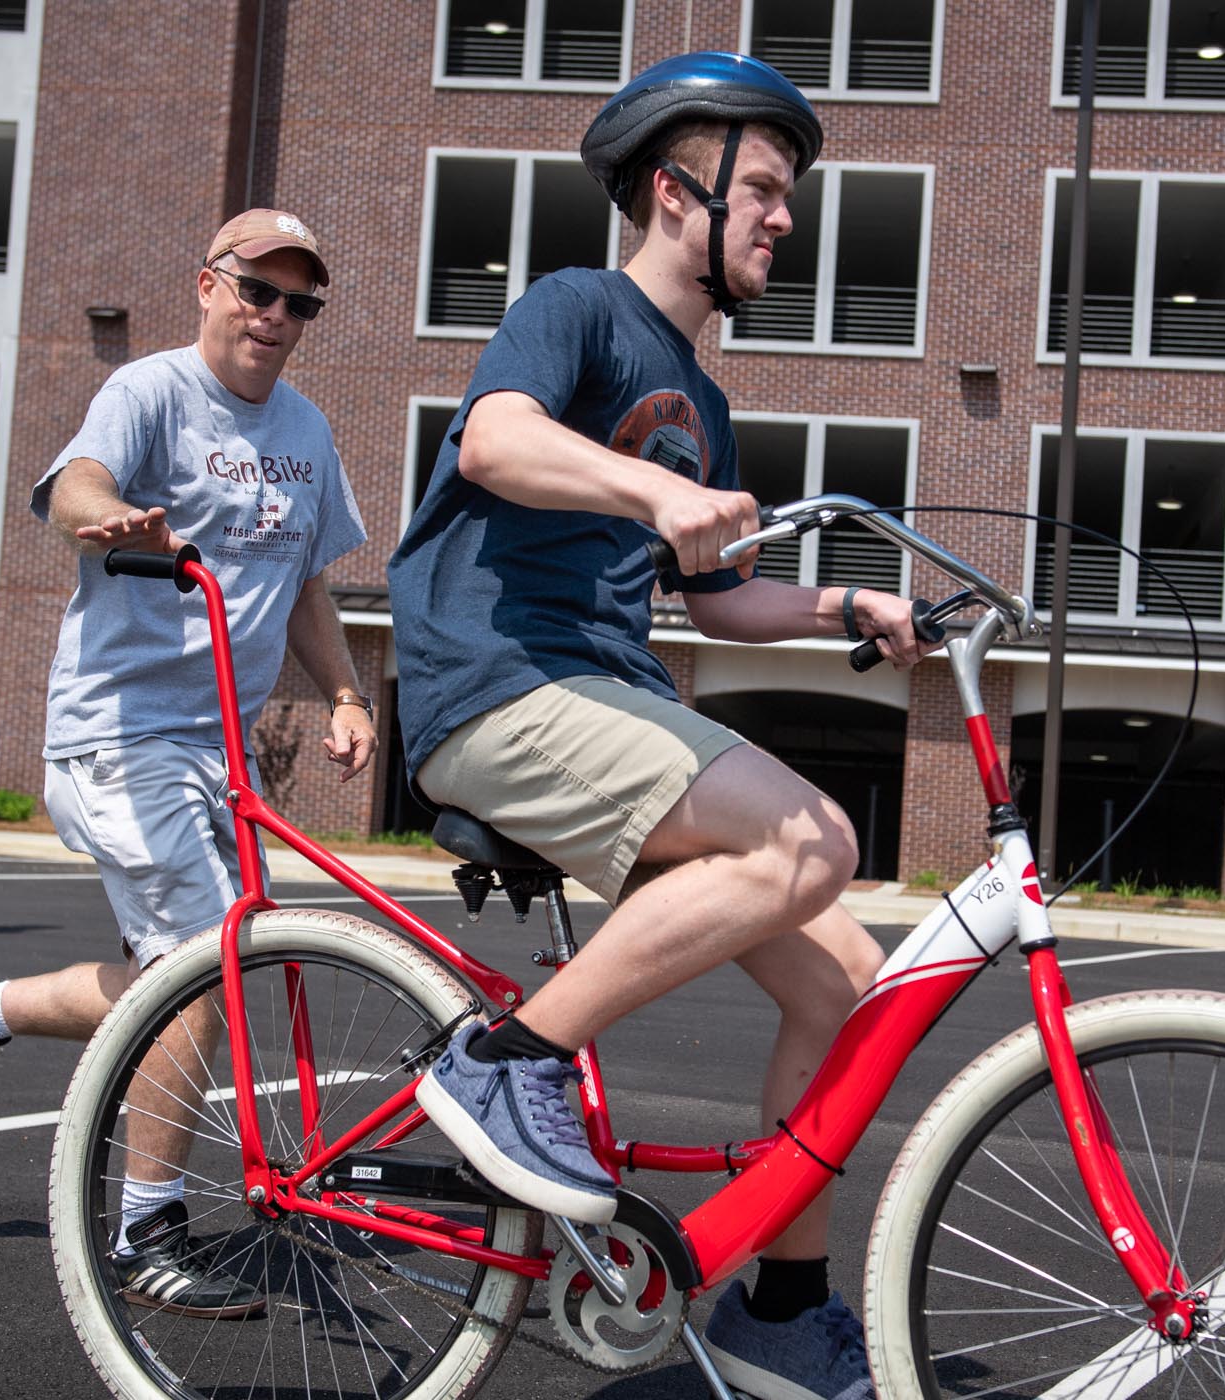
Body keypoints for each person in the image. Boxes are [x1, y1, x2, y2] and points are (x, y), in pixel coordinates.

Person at [385, 52, 934, 1400]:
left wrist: (852, 603)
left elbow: (724, 600)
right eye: (761, 189)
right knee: (812, 836)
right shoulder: (577, 307)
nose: (784, 219)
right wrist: (644, 491)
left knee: (850, 984)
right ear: (674, 192)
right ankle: (508, 1063)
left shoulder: (707, 395)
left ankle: (783, 1308)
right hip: (500, 684)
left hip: (609, 697)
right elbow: (496, 442)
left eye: (787, 197)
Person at [0, 207, 376, 1320]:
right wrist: (109, 513)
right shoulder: (150, 391)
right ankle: (146, 1229)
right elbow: (74, 487)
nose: (275, 317)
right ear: (205, 285)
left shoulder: (306, 430)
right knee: (204, 966)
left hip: (220, 750)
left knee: (176, 978)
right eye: (257, 290)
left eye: (299, 302)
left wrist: (347, 692)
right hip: (118, 731)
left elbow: (307, 585)